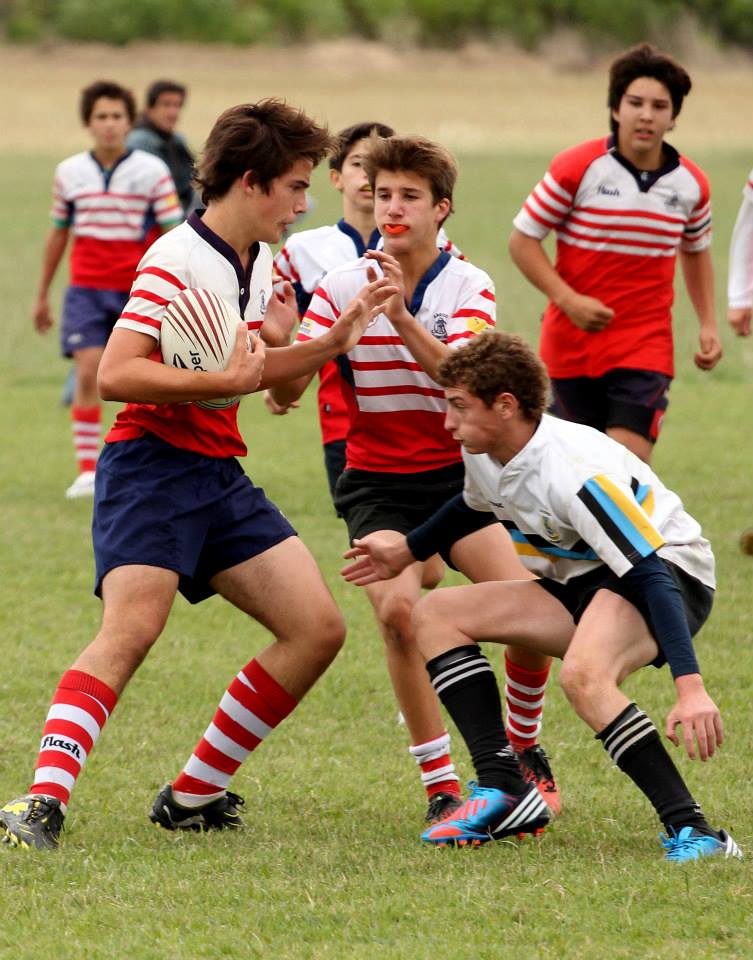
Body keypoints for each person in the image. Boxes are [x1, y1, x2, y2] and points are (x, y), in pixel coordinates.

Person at [0, 99, 397, 851]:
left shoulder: (262, 261)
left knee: (315, 629)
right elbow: (117, 374)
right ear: (250, 182)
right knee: (132, 630)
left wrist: (330, 339)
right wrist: (228, 379)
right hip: (150, 466)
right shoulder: (175, 260)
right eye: (294, 185)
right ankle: (39, 804)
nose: (304, 203)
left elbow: (268, 384)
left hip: (217, 470)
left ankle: (192, 794)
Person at [343, 331, 742, 863]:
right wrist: (407, 551)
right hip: (580, 578)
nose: (448, 422)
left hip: (670, 573)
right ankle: (506, 789)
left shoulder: (575, 474)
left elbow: (648, 574)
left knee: (583, 676)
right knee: (435, 615)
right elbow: (472, 507)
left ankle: (697, 832)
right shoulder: (486, 451)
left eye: (459, 407)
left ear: (505, 406)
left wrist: (690, 688)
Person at [270, 135, 559, 824]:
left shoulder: (470, 284)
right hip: (377, 480)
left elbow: (461, 378)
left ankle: (523, 746)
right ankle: (441, 783)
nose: (390, 208)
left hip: (466, 479)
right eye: (380, 195)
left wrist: (397, 315)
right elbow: (305, 365)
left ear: (441, 209)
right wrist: (279, 367)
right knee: (398, 615)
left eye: (407, 197)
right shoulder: (344, 282)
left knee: (528, 606)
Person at [509, 43, 722, 464]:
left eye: (660, 106)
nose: (646, 114)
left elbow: (695, 252)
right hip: (570, 346)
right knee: (571, 477)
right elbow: (522, 241)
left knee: (624, 470)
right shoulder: (577, 167)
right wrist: (568, 300)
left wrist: (708, 324)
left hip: (645, 346)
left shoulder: (691, 185)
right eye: (635, 102)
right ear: (615, 108)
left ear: (673, 116)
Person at [271, 120, 465, 501]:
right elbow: (286, 327)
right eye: (357, 163)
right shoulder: (304, 251)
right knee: (385, 547)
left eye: (408, 193)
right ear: (335, 177)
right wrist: (282, 363)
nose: (366, 176)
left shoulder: (442, 252)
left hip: (428, 421)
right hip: (344, 417)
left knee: (420, 556)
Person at [33, 80, 183, 498]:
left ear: (127, 120)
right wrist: (43, 293)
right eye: (101, 116)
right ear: (88, 122)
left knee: (146, 376)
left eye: (117, 116)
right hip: (86, 288)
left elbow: (174, 233)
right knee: (88, 368)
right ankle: (87, 469)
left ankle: (152, 461)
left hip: (140, 288)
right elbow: (58, 234)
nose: (110, 125)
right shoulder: (69, 172)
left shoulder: (152, 171)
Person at [128, 79, 198, 216]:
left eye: (177, 105)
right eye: (166, 105)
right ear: (149, 109)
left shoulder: (176, 140)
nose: (173, 112)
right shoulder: (140, 142)